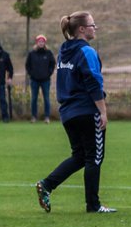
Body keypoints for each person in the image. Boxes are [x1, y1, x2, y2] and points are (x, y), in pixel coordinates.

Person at [34, 12, 116, 214]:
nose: (94, 28)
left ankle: (47, 184)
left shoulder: (63, 52)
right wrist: (102, 111)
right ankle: (93, 205)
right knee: (94, 158)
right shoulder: (87, 51)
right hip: (87, 111)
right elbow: (93, 82)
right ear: (81, 29)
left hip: (68, 113)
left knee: (80, 156)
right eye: (92, 25)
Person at [25, 34, 56, 123]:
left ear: (44, 43)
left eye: (42, 42)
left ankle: (47, 117)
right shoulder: (32, 53)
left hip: (45, 80)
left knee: (46, 98)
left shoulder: (48, 53)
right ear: (37, 43)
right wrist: (31, 74)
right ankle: (34, 117)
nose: (41, 43)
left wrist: (49, 74)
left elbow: (52, 64)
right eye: (39, 42)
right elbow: (27, 65)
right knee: (34, 99)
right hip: (34, 80)